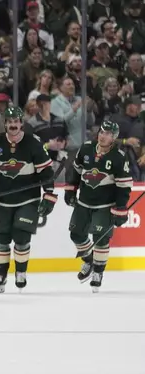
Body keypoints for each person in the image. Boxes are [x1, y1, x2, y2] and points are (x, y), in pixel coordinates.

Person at [0, 106, 57, 294]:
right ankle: (0, 278)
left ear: (21, 123)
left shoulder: (33, 143)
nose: (13, 125)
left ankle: (21, 272)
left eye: (16, 121)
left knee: (21, 237)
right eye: (10, 122)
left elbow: (46, 172)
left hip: (27, 200)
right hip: (3, 200)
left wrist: (49, 194)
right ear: (5, 123)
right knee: (1, 240)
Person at [65, 120, 133, 292]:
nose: (103, 136)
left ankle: (98, 272)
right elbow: (76, 172)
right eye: (102, 132)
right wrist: (70, 191)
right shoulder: (86, 148)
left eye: (108, 134)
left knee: (100, 238)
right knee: (76, 235)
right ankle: (89, 260)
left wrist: (121, 207)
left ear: (114, 137)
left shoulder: (118, 157)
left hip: (105, 205)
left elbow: (123, 186)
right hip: (83, 202)